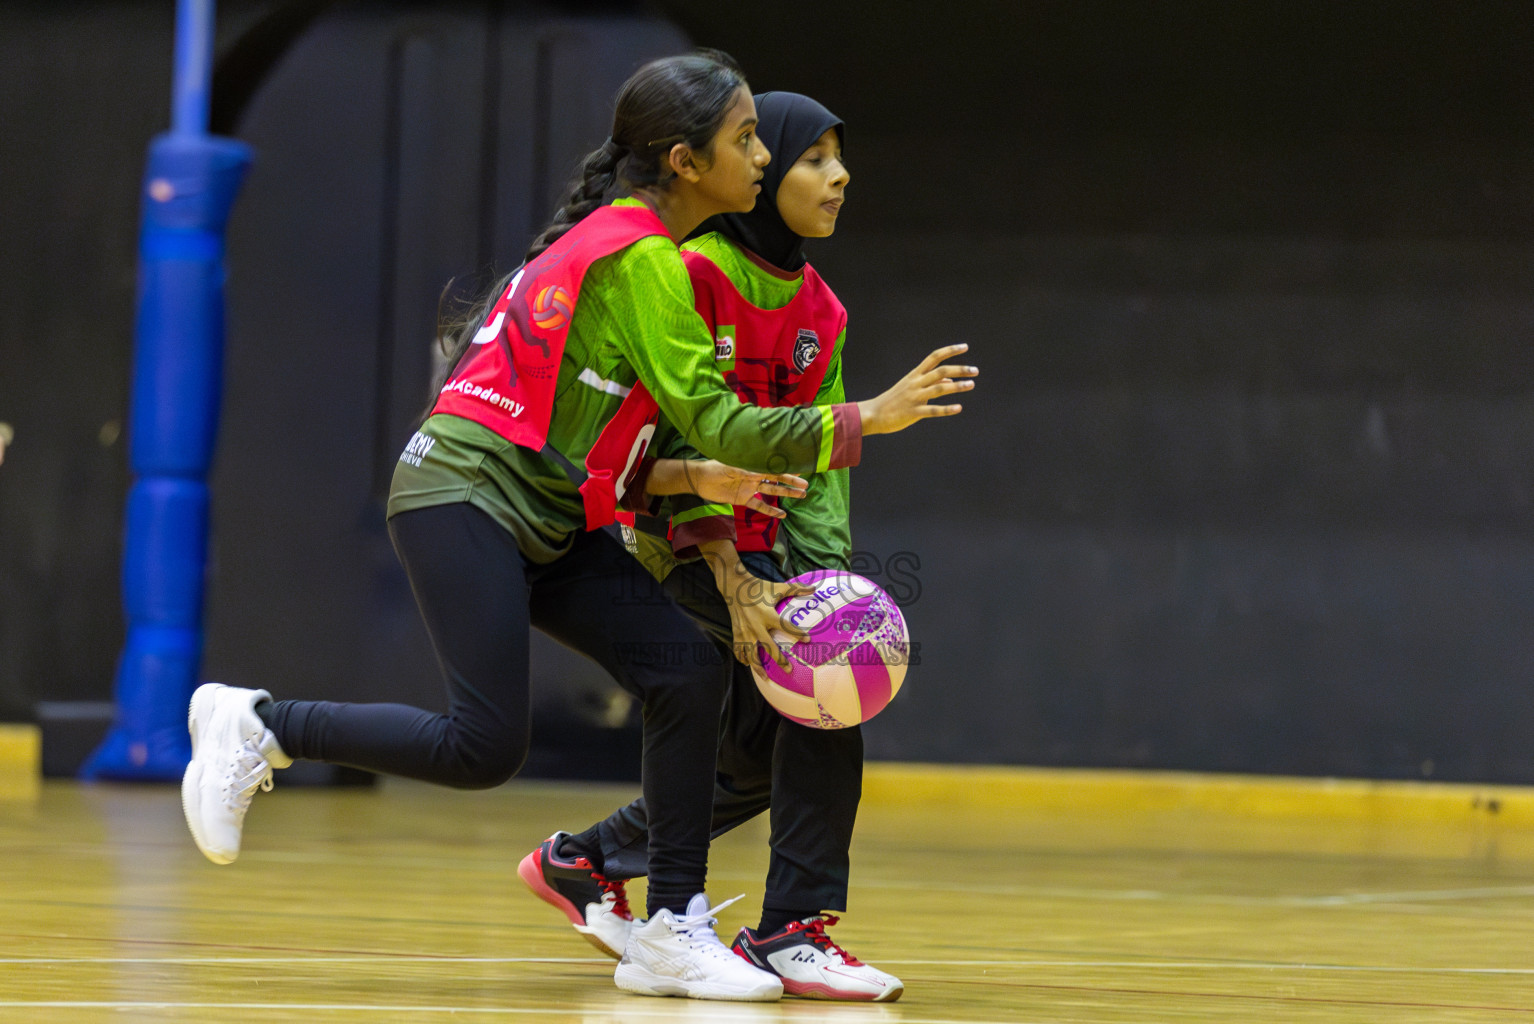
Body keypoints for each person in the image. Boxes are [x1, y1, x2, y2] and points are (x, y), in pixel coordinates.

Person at [180, 50, 975, 1002]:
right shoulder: (645, 258)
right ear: (685, 161)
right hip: (462, 497)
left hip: (547, 505)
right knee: (486, 748)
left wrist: (694, 474)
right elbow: (715, 415)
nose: (763, 157)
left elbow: (600, 432)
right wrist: (866, 419)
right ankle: (261, 723)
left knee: (683, 669)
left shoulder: (633, 246)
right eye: (747, 139)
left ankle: (672, 925)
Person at [517, 93, 913, 1002]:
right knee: (816, 709)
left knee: (756, 743)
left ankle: (584, 862)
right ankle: (788, 931)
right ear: (762, 168)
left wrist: (828, 581)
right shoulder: (689, 272)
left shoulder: (823, 310)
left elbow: (822, 467)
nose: (837, 176)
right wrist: (732, 576)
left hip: (765, 549)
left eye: (839, 157)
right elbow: (661, 441)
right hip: (671, 538)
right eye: (811, 157)